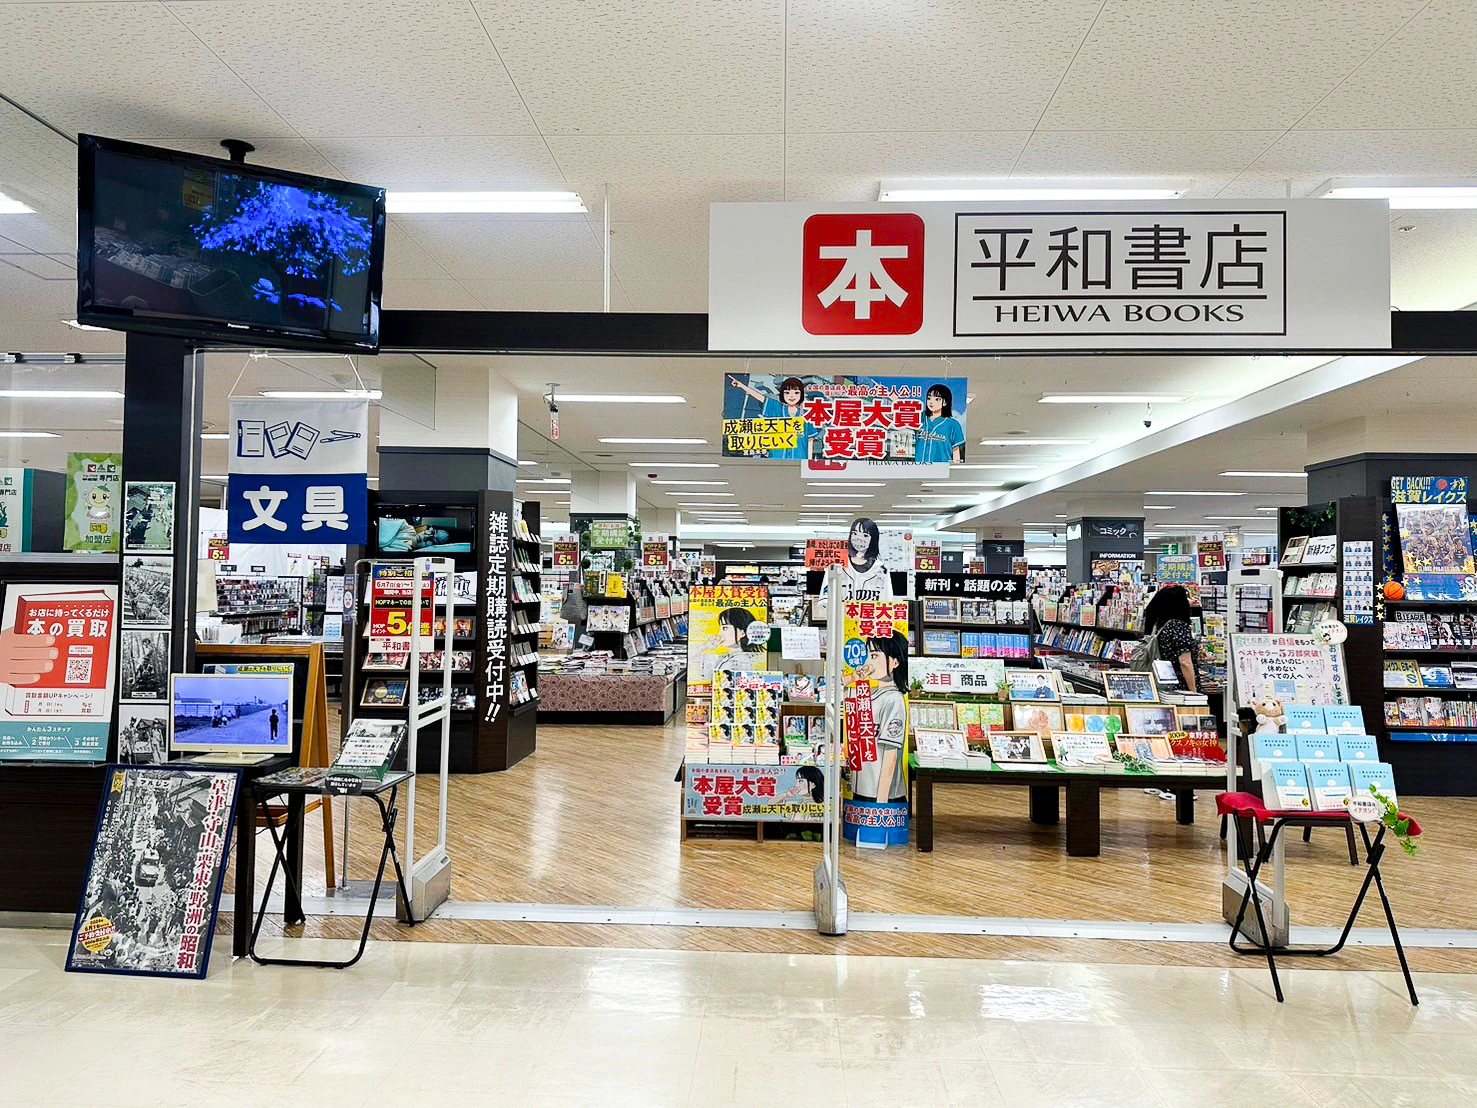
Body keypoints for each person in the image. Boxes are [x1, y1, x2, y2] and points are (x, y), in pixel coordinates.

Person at [853, 632, 909, 803]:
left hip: (882, 795)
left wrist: (881, 803)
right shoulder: (869, 694)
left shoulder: (894, 699)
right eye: (867, 656)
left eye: (875, 656)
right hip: (863, 789)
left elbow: (890, 756)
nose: (869, 663)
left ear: (895, 662)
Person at [727, 374, 812, 459]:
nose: (792, 396)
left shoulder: (806, 415)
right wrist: (741, 385)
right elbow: (761, 398)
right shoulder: (776, 408)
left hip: (799, 459)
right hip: (777, 457)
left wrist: (809, 461)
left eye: (796, 392)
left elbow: (810, 439)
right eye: (787, 392)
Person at [821, 517, 894, 603]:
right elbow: (825, 599)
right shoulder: (837, 565)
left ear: (873, 539)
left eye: (865, 535)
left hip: (868, 614)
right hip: (842, 615)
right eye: (855, 533)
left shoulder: (881, 569)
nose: (859, 539)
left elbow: (886, 601)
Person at [1143, 584, 1199, 693]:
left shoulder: (1161, 626)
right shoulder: (1179, 627)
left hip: (1164, 684)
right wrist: (1194, 692)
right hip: (1181, 688)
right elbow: (1185, 662)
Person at [914, 383, 965, 463]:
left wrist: (955, 468)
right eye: (929, 398)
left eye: (937, 399)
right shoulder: (920, 417)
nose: (931, 402)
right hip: (916, 468)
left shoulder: (953, 424)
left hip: (941, 469)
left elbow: (955, 450)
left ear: (945, 402)